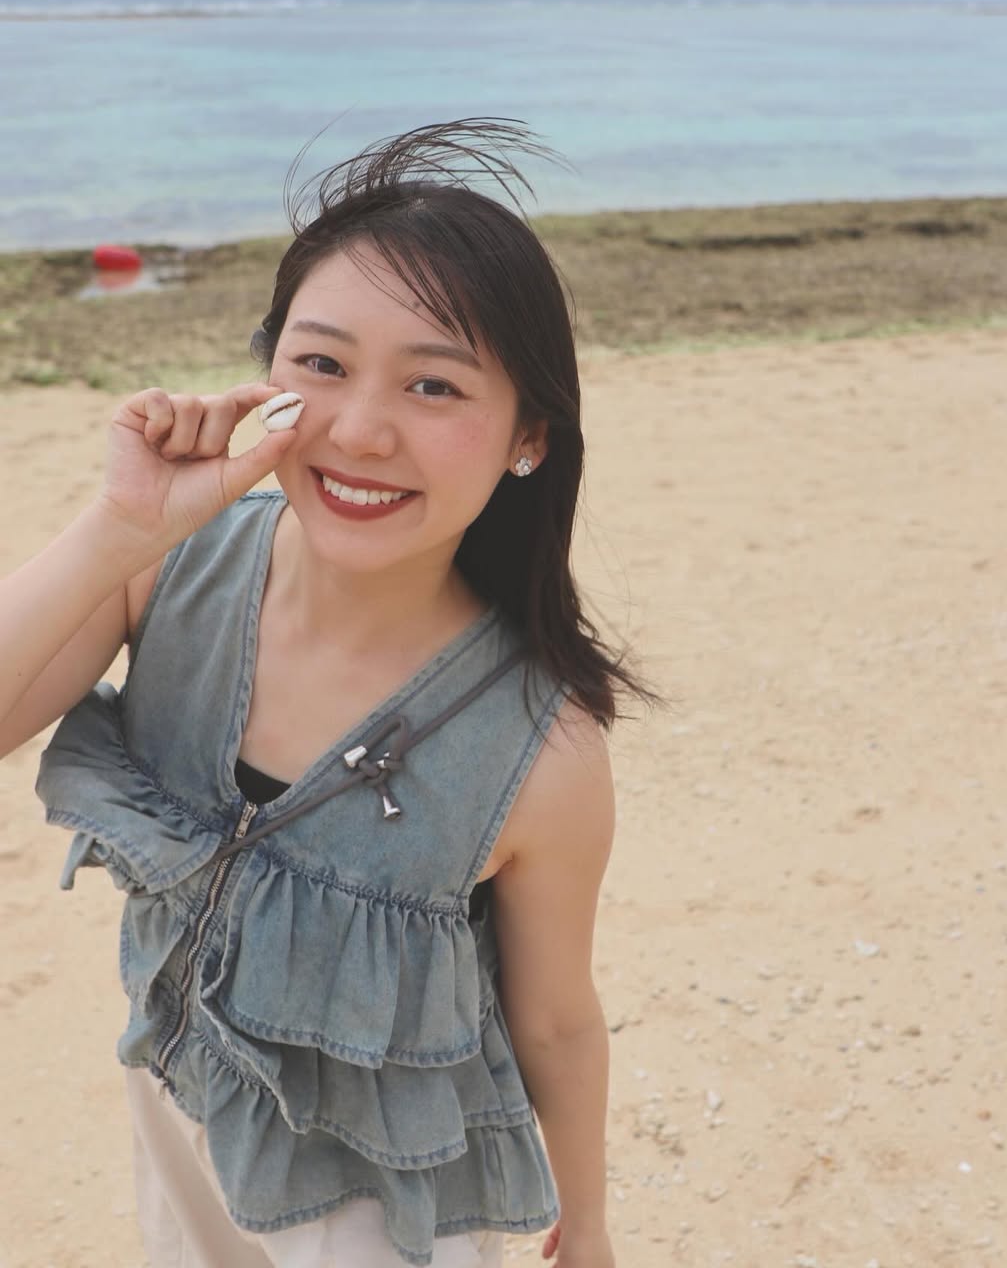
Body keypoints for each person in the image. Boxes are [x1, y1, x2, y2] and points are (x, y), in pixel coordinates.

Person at [0, 121, 650, 1268]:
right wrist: (116, 531)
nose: (360, 431)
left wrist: (588, 1226)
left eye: (434, 384)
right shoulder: (171, 568)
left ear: (528, 438)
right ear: (267, 374)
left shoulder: (542, 749)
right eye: (323, 364)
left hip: (381, 1202)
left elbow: (557, 1020)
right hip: (180, 1104)